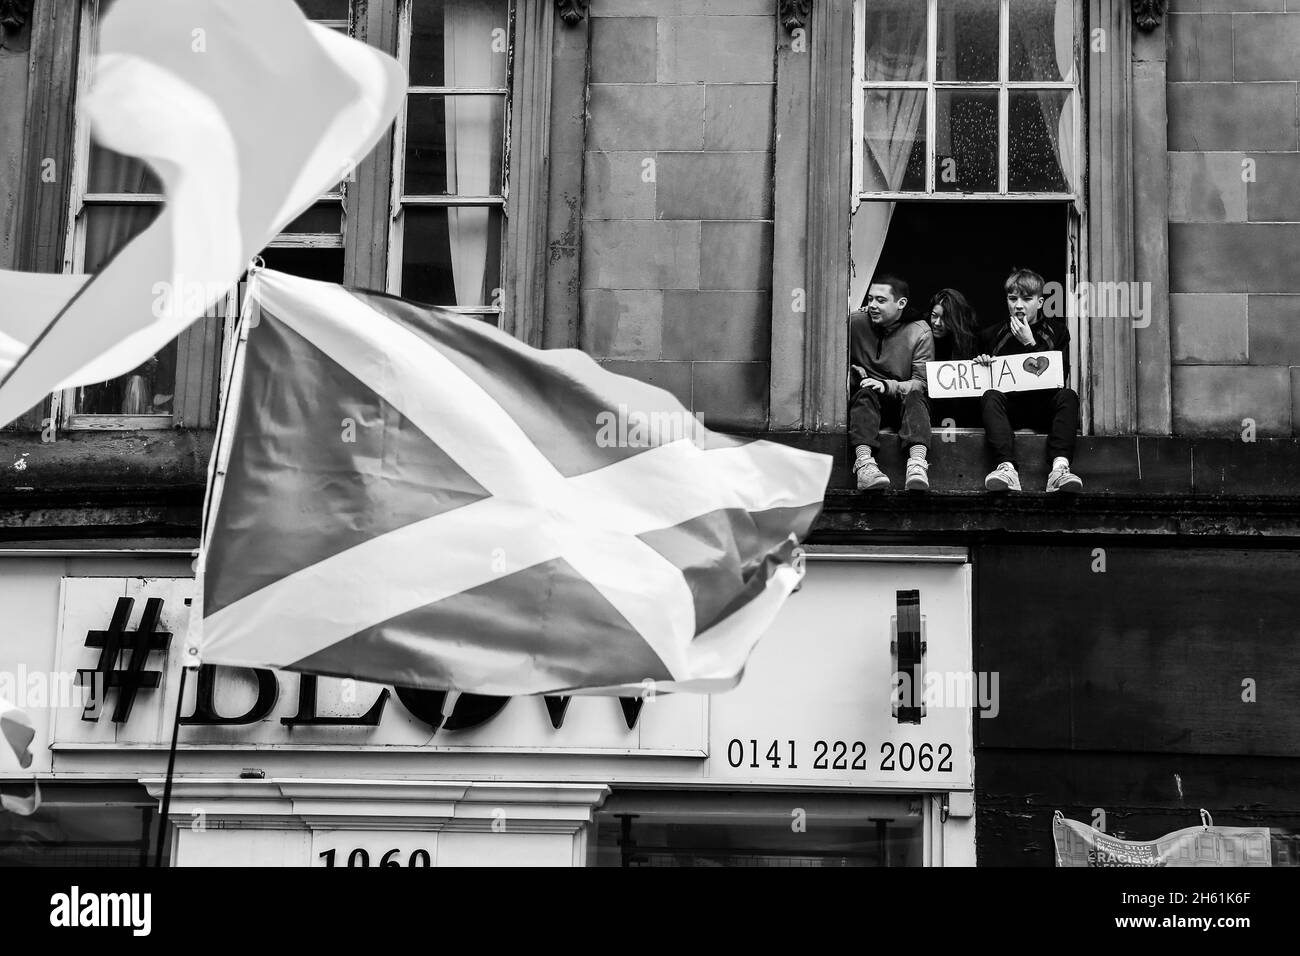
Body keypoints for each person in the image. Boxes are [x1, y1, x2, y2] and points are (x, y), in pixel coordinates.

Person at [975, 268, 1083, 493]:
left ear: (1040, 302)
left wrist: (1030, 343)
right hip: (1011, 410)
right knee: (990, 397)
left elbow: (1058, 377)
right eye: (1012, 298)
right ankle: (1006, 468)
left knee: (1068, 396)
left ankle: (1059, 469)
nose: (1018, 305)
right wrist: (982, 364)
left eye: (1026, 299)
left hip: (1044, 407)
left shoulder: (1057, 331)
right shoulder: (992, 335)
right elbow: (986, 384)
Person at [849, 274, 933, 492]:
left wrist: (887, 385)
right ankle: (865, 466)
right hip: (867, 402)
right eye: (870, 299)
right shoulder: (854, 322)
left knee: (916, 397)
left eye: (881, 300)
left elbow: (921, 383)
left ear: (901, 303)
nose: (872, 305)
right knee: (864, 395)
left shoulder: (920, 331)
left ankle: (917, 465)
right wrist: (851, 374)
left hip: (901, 402)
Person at [926, 288, 982, 428]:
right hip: (929, 416)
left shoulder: (971, 344)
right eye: (934, 316)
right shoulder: (923, 337)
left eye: (945, 319)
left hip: (963, 420)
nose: (937, 323)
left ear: (956, 320)